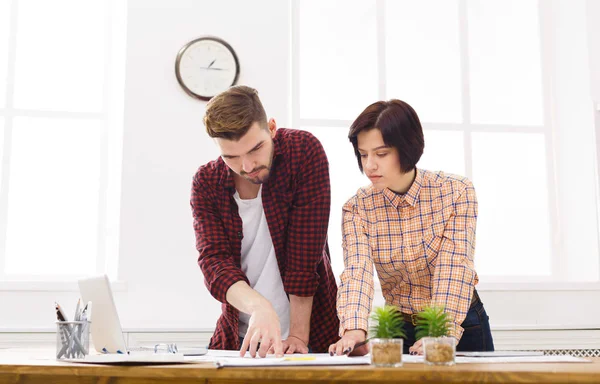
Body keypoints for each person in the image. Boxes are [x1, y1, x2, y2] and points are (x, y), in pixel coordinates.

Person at [329, 99, 494, 356]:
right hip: (399, 329)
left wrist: (440, 332)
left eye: (381, 154)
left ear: (407, 148)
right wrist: (354, 329)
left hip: (457, 325)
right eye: (363, 154)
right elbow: (357, 271)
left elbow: (454, 267)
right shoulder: (357, 208)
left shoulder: (456, 192)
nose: (369, 165)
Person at [190, 85, 339, 358]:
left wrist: (297, 335)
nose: (247, 166)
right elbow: (214, 263)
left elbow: (305, 255)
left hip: (313, 334)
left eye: (255, 149)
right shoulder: (206, 182)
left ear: (271, 127)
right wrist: (260, 307)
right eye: (231, 157)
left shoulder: (303, 152)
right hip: (240, 339)